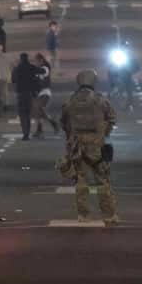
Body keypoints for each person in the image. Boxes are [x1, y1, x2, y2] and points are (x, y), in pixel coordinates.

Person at [59, 69, 118, 224]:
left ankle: (83, 215)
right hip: (97, 147)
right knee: (103, 180)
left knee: (80, 180)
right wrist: (103, 134)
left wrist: (71, 138)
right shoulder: (100, 100)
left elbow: (64, 123)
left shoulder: (70, 101)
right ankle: (109, 214)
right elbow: (112, 118)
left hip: (76, 146)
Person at [31, 52, 60, 137]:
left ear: (41, 60)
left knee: (38, 107)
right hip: (38, 93)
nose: (35, 63)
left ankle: (51, 123)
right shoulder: (37, 69)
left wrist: (32, 70)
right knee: (37, 110)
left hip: (45, 92)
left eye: (36, 61)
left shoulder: (45, 68)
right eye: (34, 61)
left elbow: (43, 72)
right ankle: (41, 128)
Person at [11, 52, 38, 140]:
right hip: (29, 94)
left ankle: (25, 133)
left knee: (22, 115)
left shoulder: (17, 69)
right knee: (28, 114)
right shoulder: (31, 67)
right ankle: (28, 132)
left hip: (20, 94)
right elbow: (42, 71)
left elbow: (13, 80)